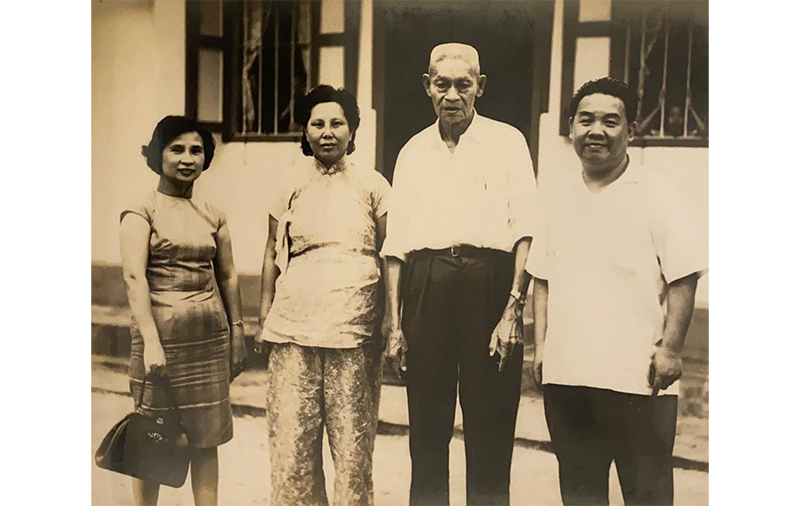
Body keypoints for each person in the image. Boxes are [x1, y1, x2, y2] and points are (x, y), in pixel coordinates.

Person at [526, 77, 708, 506]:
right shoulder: (557, 195)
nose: (597, 131)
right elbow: (543, 278)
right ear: (571, 128)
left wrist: (672, 350)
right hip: (568, 376)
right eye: (586, 120)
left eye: (611, 121)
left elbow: (684, 275)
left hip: (638, 378)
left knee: (647, 495)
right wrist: (541, 348)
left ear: (630, 131)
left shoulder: (657, 193)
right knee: (580, 493)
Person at [381, 43, 538, 506]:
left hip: (489, 285)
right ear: (427, 86)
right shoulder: (412, 151)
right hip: (427, 286)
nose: (452, 95)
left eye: (463, 84)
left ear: (480, 87)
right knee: (426, 428)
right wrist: (395, 325)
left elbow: (527, 230)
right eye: (442, 84)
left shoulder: (508, 141)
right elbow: (397, 247)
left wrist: (513, 310)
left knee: (490, 425)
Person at [254, 84, 391, 506]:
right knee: (293, 443)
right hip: (294, 325)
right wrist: (263, 316)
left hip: (355, 327)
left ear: (353, 130)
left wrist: (389, 318)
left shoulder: (374, 185)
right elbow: (271, 253)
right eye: (318, 123)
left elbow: (390, 254)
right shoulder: (288, 184)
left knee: (352, 447)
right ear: (305, 131)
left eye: (337, 123)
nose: (327, 132)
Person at [120, 116, 247, 506]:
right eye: (176, 149)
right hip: (161, 342)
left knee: (206, 439)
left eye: (196, 150)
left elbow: (227, 276)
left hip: (209, 343)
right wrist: (151, 343)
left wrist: (237, 333)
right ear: (157, 154)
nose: (188, 158)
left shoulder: (213, 213)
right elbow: (133, 278)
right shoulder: (141, 210)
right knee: (153, 437)